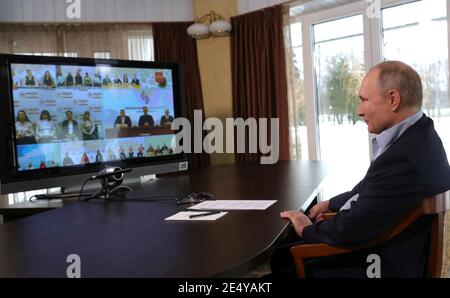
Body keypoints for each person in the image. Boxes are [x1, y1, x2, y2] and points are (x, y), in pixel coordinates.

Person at [273, 61, 450, 278]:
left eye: (364, 100)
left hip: (380, 265)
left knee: (280, 264)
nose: (359, 111)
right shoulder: (420, 135)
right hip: (393, 252)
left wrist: (306, 229)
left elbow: (351, 228)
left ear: (393, 99)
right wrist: (330, 204)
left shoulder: (403, 158)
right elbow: (371, 187)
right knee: (281, 256)